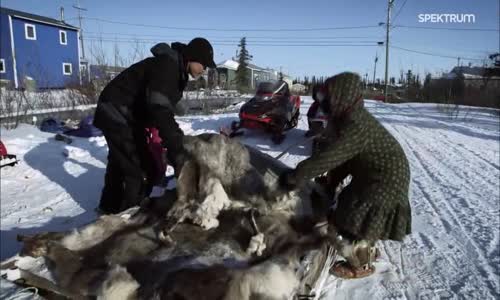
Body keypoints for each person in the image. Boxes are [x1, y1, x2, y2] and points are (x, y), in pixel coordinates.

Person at [279, 72, 411, 279]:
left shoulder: (356, 125)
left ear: (341, 97)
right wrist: (332, 181)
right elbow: (348, 159)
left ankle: (360, 264)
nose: (324, 106)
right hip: (374, 175)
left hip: (384, 181)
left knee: (347, 222)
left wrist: (296, 176)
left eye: (327, 101)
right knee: (350, 210)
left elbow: (332, 156)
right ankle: (367, 247)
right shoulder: (350, 118)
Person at [93, 37, 216, 214]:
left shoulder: (175, 68)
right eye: (203, 64)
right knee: (140, 169)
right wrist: (176, 146)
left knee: (120, 163)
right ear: (192, 57)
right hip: (116, 112)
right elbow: (159, 107)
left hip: (123, 113)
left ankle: (108, 207)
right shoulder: (168, 66)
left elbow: (161, 101)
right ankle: (129, 220)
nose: (204, 69)